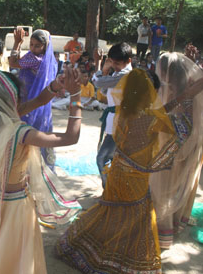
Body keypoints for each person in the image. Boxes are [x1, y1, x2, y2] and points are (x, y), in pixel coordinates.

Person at [56, 68, 203, 274]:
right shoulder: (150, 119)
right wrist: (188, 98)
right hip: (134, 180)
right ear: (147, 94)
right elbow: (182, 128)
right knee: (134, 219)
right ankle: (120, 262)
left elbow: (161, 113)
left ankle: (89, 250)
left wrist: (181, 97)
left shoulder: (125, 112)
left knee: (113, 212)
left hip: (118, 172)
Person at [0, 68, 82, 274]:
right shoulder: (20, 132)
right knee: (16, 252)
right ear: (12, 101)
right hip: (18, 205)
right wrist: (76, 96)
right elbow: (71, 137)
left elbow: (37, 102)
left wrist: (55, 86)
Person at [149, 53, 203, 249]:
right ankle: (176, 222)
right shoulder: (192, 89)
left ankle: (163, 231)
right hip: (190, 138)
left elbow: (160, 115)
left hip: (172, 137)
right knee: (178, 183)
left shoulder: (169, 92)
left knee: (163, 184)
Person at [9, 27, 58, 167]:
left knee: (25, 134)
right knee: (42, 134)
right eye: (31, 44)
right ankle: (44, 166)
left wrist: (17, 43)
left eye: (37, 46)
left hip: (29, 103)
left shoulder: (33, 58)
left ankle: (24, 167)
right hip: (43, 106)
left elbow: (13, 62)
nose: (33, 48)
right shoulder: (50, 61)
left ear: (45, 46)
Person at [92, 43, 132, 187]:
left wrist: (99, 66)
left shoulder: (125, 74)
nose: (114, 65)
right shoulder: (117, 73)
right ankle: (111, 190)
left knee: (102, 158)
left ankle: (110, 191)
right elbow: (104, 92)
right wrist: (103, 69)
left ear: (128, 61)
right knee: (111, 159)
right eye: (112, 62)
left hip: (120, 123)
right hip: (113, 122)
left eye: (117, 63)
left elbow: (98, 82)